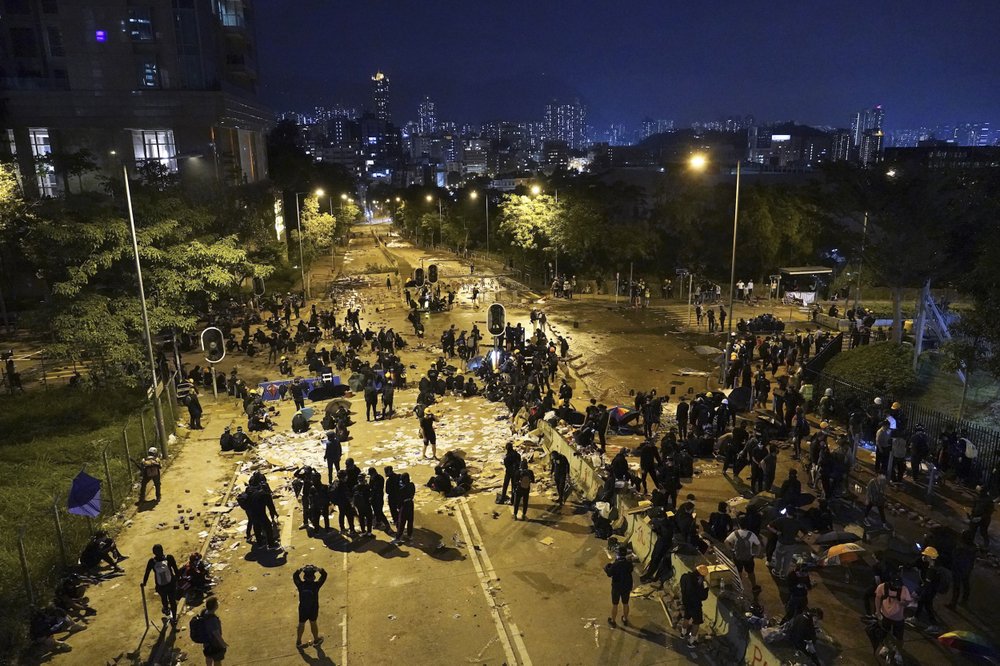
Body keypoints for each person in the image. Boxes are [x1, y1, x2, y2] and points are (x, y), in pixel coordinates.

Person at [141, 544, 179, 625]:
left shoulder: (152, 562)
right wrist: (177, 580)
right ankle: (174, 618)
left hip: (161, 586)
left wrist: (144, 583)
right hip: (171, 584)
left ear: (154, 553)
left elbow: (147, 573)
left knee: (164, 598)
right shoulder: (169, 558)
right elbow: (176, 570)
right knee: (172, 601)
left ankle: (166, 609)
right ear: (162, 550)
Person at [294, 565, 328, 648]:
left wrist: (301, 569)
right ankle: (316, 640)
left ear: (304, 577)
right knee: (313, 622)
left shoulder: (300, 585)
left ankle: (298, 642)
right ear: (313, 577)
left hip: (303, 608)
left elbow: (295, 576)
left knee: (301, 623)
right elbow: (324, 575)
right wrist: (318, 569)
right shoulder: (316, 585)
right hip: (313, 608)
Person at [874, 576, 912, 649]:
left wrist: (902, 603)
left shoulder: (904, 590)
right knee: (884, 633)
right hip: (885, 616)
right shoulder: (882, 587)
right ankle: (885, 647)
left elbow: (907, 602)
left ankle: (898, 652)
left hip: (898, 618)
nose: (897, 587)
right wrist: (877, 611)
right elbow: (878, 598)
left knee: (899, 637)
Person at [725, 518, 761, 588]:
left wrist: (731, 550)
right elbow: (758, 545)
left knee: (739, 572)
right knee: (751, 572)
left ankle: (739, 586)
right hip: (748, 557)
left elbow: (726, 542)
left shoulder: (735, 533)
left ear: (739, 525)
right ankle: (754, 585)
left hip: (737, 557)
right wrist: (757, 553)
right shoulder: (751, 534)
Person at [680, 564, 710, 648]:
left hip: (686, 602)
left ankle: (683, 633)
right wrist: (706, 588)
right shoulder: (699, 584)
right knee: (697, 622)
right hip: (695, 605)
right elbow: (703, 597)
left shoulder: (685, 577)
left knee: (687, 616)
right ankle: (691, 642)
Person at [605, 545, 634, 628]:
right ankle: (625, 619)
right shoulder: (629, 564)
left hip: (616, 587)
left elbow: (609, 573)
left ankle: (613, 621)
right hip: (626, 586)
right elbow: (631, 569)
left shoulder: (615, 564)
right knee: (625, 603)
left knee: (615, 604)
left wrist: (607, 567)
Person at [947, 530, 976, 609]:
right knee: (965, 584)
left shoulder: (960, 548)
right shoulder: (973, 548)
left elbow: (954, 556)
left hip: (958, 568)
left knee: (957, 586)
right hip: (967, 568)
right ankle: (964, 600)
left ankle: (953, 603)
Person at [914, 546, 943, 625]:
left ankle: (934, 624)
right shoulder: (935, 566)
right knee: (922, 602)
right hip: (931, 589)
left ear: (929, 557)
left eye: (926, 555)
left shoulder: (932, 570)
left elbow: (927, 583)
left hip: (929, 590)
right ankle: (916, 618)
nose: (924, 557)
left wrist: (918, 591)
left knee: (927, 605)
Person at [201, 596, 227, 665]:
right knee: (217, 660)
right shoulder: (212, 619)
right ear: (215, 606)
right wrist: (223, 643)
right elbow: (216, 633)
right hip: (215, 643)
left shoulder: (204, 613)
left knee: (208, 656)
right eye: (217, 603)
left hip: (206, 642)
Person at [392, 472, 415, 544]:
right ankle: (409, 535)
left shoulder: (402, 489)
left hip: (404, 505)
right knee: (410, 520)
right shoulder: (412, 485)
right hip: (410, 503)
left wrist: (399, 507)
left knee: (401, 522)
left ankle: (398, 537)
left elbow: (399, 500)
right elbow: (413, 493)